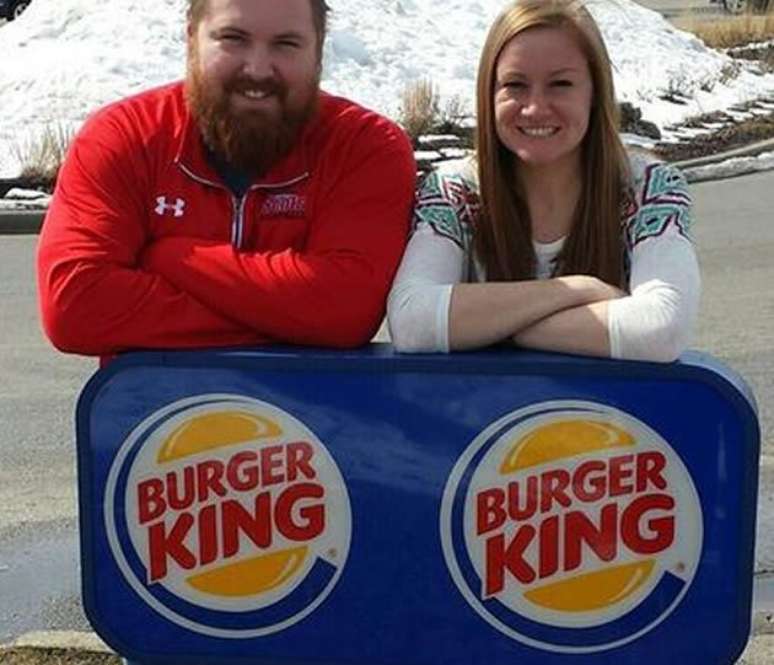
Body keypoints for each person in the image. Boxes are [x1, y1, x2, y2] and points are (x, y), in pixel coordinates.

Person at [37, 0, 416, 360]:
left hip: (317, 425)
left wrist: (172, 257)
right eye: (233, 39)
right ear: (191, 39)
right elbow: (74, 305)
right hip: (155, 425)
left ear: (318, 51)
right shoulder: (124, 136)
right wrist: (295, 318)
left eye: (286, 44)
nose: (258, 69)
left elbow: (344, 308)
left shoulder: (365, 146)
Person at [387, 0, 699, 363]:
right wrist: (577, 291)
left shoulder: (649, 188)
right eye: (515, 85)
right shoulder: (452, 192)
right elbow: (411, 320)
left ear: (595, 93)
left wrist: (485, 327)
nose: (535, 107)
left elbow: (661, 328)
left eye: (560, 84)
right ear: (489, 95)